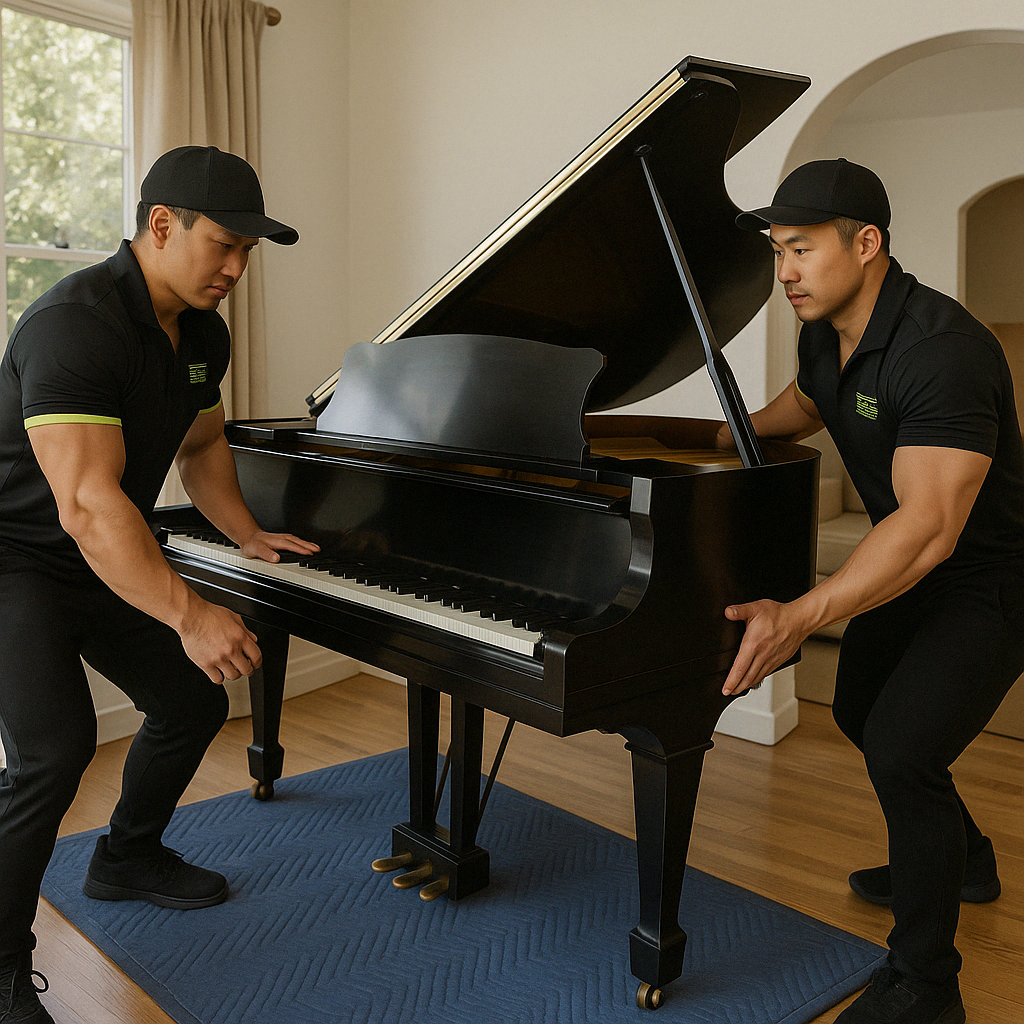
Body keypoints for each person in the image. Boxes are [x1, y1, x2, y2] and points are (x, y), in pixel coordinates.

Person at [0, 146, 319, 1024]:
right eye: (223, 244)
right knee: (53, 751)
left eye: (249, 252)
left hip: (104, 552)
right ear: (161, 224)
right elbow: (87, 505)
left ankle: (127, 857)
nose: (236, 268)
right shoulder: (73, 324)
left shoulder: (202, 334)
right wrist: (187, 610)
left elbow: (203, 444)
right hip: (17, 559)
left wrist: (249, 535)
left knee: (190, 700)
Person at [719, 158, 1024, 1024]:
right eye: (779, 251)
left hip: (989, 580)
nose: (785, 272)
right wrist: (712, 436)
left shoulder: (946, 350)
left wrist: (804, 612)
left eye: (802, 250)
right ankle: (964, 859)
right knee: (858, 709)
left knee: (900, 749)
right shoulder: (826, 331)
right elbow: (811, 406)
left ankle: (928, 984)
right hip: (913, 576)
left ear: (867, 243)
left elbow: (928, 526)